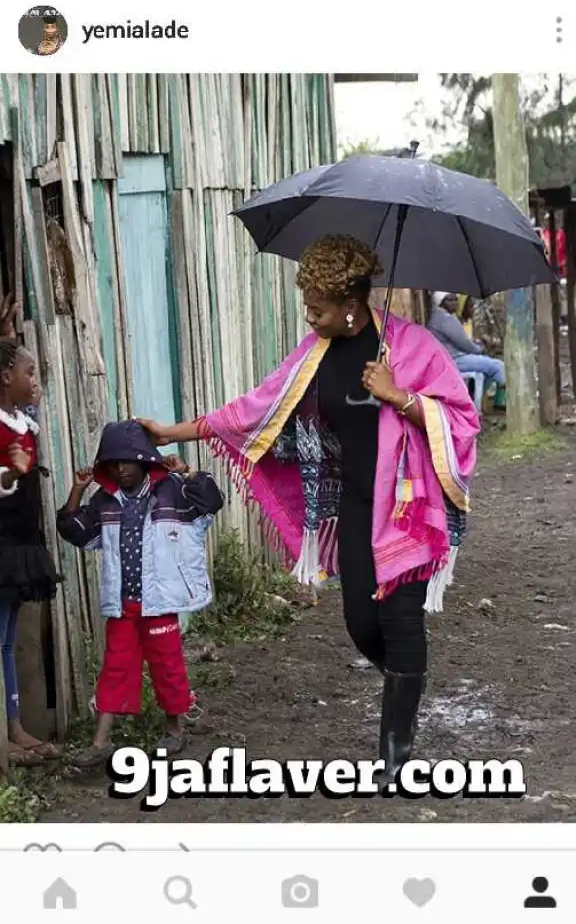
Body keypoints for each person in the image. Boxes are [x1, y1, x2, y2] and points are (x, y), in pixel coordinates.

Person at [138, 235, 479, 783]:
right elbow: (255, 410)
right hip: (354, 507)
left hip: (410, 510)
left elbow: (462, 421)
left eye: (317, 309)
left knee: (400, 619)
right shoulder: (314, 354)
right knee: (361, 625)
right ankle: (405, 680)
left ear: (350, 305)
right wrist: (172, 432)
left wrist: (401, 397)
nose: (309, 318)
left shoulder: (413, 348)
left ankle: (395, 755)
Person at [56, 419, 224, 768]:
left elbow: (212, 500)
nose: (121, 469)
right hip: (123, 605)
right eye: (114, 463)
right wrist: (76, 490)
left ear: (145, 460)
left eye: (127, 461)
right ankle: (100, 741)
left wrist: (187, 471)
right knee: (115, 668)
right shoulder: (105, 502)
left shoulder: (172, 491)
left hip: (160, 602)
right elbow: (72, 529)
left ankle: (175, 730)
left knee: (167, 666)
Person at [0, 338, 63, 766]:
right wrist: (10, 472)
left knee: (6, 641)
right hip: (1, 545)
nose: (36, 379)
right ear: (6, 377)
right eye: (30, 372)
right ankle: (9, 732)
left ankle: (15, 725)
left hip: (21, 544)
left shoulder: (24, 421)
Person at [428, 292, 506, 407]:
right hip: (453, 360)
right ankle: (511, 397)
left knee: (487, 368)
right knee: (497, 366)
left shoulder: (439, 317)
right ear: (441, 303)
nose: (455, 303)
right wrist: (480, 349)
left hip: (449, 358)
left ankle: (475, 401)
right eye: (450, 300)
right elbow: (464, 344)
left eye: (455, 299)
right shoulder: (443, 318)